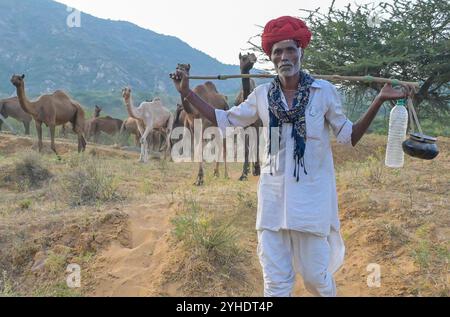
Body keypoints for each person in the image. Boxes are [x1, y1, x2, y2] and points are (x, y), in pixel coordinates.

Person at [170, 16, 411, 297]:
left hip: (312, 204)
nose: (284, 56)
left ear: (300, 53)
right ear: (271, 59)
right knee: (275, 285)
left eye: (290, 50)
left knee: (316, 280)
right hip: (272, 205)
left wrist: (379, 100)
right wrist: (186, 92)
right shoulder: (261, 96)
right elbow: (224, 119)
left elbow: (349, 136)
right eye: (277, 52)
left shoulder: (323, 92)